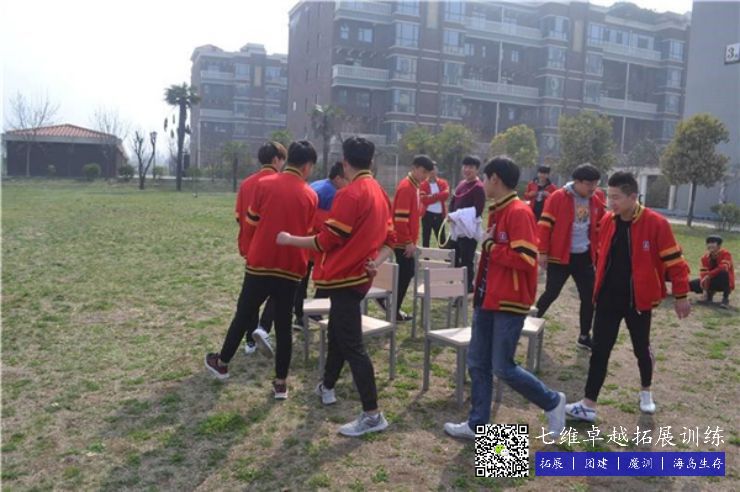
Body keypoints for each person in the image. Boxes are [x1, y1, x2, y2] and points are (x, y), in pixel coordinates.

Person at [277, 136, 395, 437]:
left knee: (352, 344)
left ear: (344, 162)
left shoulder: (350, 194)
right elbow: (390, 240)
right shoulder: (380, 192)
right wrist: (376, 262)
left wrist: (290, 240)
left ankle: (372, 414)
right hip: (357, 279)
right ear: (371, 161)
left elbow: (325, 241)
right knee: (340, 334)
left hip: (345, 278)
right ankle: (327, 384)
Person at [444, 156, 566, 440]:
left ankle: (552, 401)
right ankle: (477, 424)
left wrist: (488, 245)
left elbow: (525, 258)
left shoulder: (518, 212)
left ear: (495, 179)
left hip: (508, 302)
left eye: (485, 178)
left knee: (503, 367)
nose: (483, 183)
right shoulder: (498, 210)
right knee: (478, 362)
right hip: (488, 298)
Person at [565, 172, 691, 422]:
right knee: (599, 351)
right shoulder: (608, 221)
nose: (610, 202)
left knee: (641, 348)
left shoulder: (656, 223)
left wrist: (681, 295)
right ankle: (589, 404)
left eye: (616, 197)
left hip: (638, 301)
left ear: (633, 197)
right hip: (607, 299)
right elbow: (600, 254)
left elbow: (675, 262)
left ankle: (646, 391)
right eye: (609, 196)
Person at [205, 141, 318, 401]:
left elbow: (250, 224)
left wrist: (252, 247)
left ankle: (222, 363)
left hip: (260, 263)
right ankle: (280, 383)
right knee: (284, 326)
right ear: (307, 165)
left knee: (244, 314)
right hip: (291, 267)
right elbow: (307, 233)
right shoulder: (310, 195)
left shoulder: (264, 185)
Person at [536, 163, 606, 350]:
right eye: (589, 184)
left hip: (584, 256)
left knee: (589, 297)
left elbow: (601, 224)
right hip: (560, 256)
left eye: (595, 184)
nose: (592, 188)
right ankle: (529, 323)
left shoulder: (595, 199)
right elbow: (545, 225)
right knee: (552, 292)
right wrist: (542, 251)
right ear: (577, 181)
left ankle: (584, 336)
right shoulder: (558, 197)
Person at [234, 141, 287, 355]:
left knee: (252, 296)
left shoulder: (247, 184)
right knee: (280, 292)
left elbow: (240, 217)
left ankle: (250, 340)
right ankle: (263, 327)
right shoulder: (281, 184)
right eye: (282, 160)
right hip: (277, 249)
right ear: (276, 160)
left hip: (252, 249)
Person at [293, 162, 349, 329]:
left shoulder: (318, 183)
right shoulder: (333, 194)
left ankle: (300, 316)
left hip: (303, 239)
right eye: (347, 179)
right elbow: (329, 223)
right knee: (327, 277)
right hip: (316, 243)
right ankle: (313, 311)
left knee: (301, 281)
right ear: (338, 178)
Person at [390, 154, 433, 321]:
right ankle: (392, 306)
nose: (424, 176)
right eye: (423, 171)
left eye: (427, 173)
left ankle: (392, 306)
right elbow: (400, 219)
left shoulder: (414, 186)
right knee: (406, 273)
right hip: (402, 241)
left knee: (407, 272)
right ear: (414, 168)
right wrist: (408, 241)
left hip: (407, 240)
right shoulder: (407, 187)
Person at [449, 155, 486, 293]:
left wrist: (458, 216)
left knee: (466, 260)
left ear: (477, 170)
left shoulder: (478, 187)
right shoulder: (461, 184)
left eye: (471, 167)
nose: (467, 170)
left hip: (468, 231)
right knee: (453, 258)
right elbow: (453, 202)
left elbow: (477, 210)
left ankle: (467, 287)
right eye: (465, 166)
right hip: (457, 230)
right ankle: (455, 285)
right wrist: (451, 215)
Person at [690, 235, 734, 309]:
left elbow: (724, 267)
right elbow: (703, 273)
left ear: (719, 245)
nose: (710, 245)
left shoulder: (726, 254)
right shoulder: (704, 257)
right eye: (708, 243)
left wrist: (709, 275)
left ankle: (725, 299)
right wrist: (704, 289)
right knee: (691, 284)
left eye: (713, 243)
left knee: (723, 272)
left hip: (724, 281)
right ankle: (708, 295)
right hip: (710, 280)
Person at [419, 164, 450, 247]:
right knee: (426, 238)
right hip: (427, 215)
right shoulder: (423, 184)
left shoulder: (443, 183)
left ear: (437, 171)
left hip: (439, 215)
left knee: (442, 239)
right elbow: (424, 199)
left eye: (434, 169)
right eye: (430, 169)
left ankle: (444, 255)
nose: (432, 171)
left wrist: (431, 196)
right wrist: (438, 196)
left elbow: (446, 195)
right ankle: (426, 255)